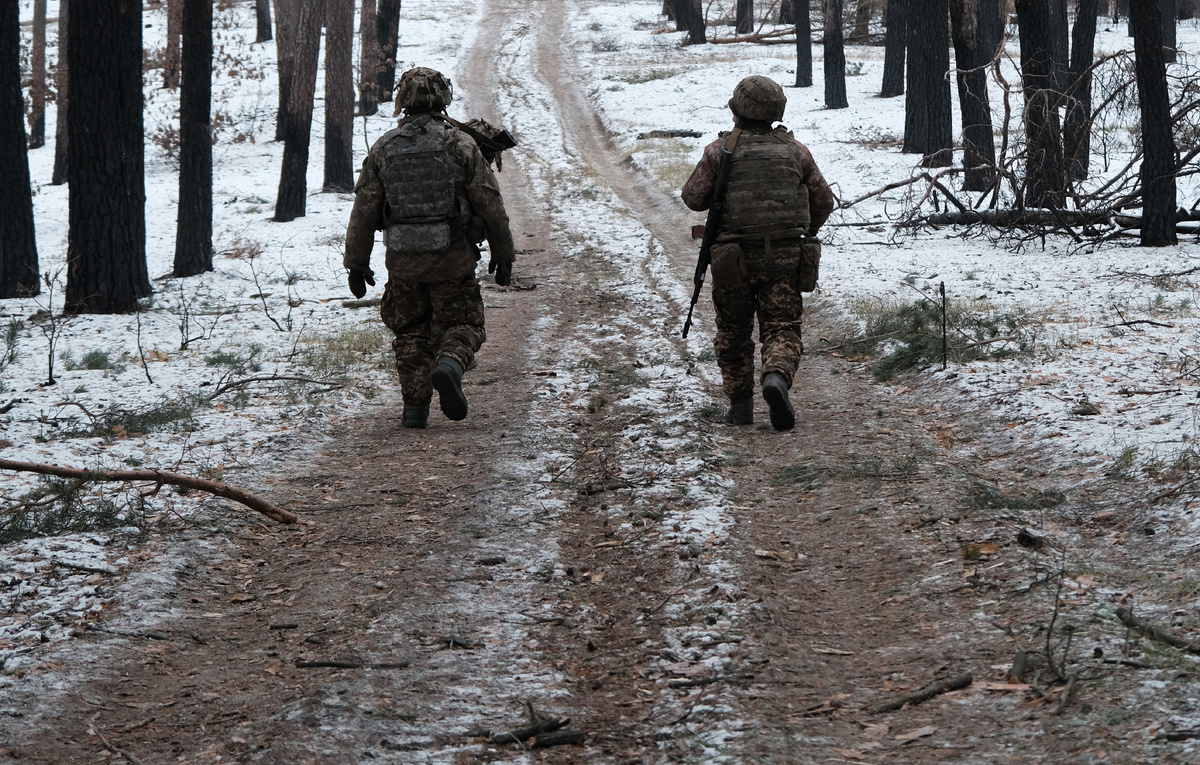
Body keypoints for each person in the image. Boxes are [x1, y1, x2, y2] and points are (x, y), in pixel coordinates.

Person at [344, 67, 516, 429]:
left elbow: (365, 207)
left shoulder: (384, 148)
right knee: (464, 323)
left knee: (410, 331)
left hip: (402, 262)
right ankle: (450, 363)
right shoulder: (462, 144)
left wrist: (356, 262)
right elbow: (489, 203)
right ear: (443, 97)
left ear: (402, 100)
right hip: (452, 259)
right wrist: (503, 252)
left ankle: (415, 408)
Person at [681, 75, 835, 432]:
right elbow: (824, 201)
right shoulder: (796, 151)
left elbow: (692, 198)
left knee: (733, 330)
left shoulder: (720, 152)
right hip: (784, 259)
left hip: (732, 260)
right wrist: (806, 233)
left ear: (737, 111)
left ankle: (739, 406)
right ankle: (776, 377)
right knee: (781, 326)